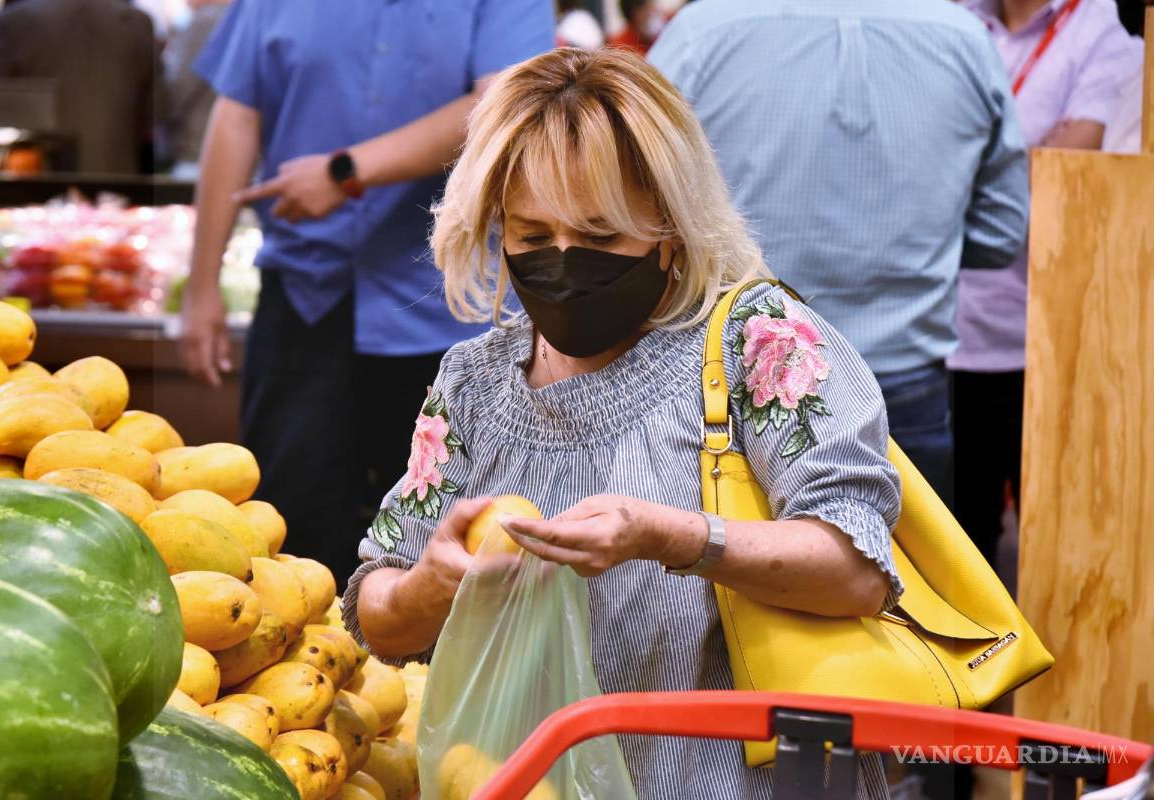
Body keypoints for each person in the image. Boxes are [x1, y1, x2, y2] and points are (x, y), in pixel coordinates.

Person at [348, 48, 903, 799]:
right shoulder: (473, 383)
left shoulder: (757, 343)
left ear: (671, 226)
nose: (565, 263)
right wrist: (432, 584)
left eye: (602, 237)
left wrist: (669, 535)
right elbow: (377, 615)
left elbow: (857, 569)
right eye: (532, 238)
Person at [186, 0, 554, 582]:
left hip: (444, 307)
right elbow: (236, 117)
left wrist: (347, 171)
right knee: (289, 535)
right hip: (304, 297)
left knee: (446, 548)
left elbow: (505, 100)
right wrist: (201, 285)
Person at [648, 0, 1030, 500]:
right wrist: (911, 251)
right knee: (908, 576)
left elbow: (638, 214)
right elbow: (1001, 231)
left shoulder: (700, 34)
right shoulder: (964, 38)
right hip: (905, 386)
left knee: (737, 571)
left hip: (734, 382)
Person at [950, 0, 1142, 570]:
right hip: (947, 334)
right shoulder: (957, 21)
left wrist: (959, 169)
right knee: (961, 551)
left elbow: (1067, 175)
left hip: (1045, 339)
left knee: (1055, 552)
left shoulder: (1101, 31)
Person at [0, 0, 162, 174]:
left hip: (33, 188)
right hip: (119, 179)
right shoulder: (138, 23)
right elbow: (155, 111)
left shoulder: (13, 21)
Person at [162, 0, 228, 177]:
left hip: (199, 153)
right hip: (244, 156)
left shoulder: (205, 22)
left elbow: (177, 88)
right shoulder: (248, 18)